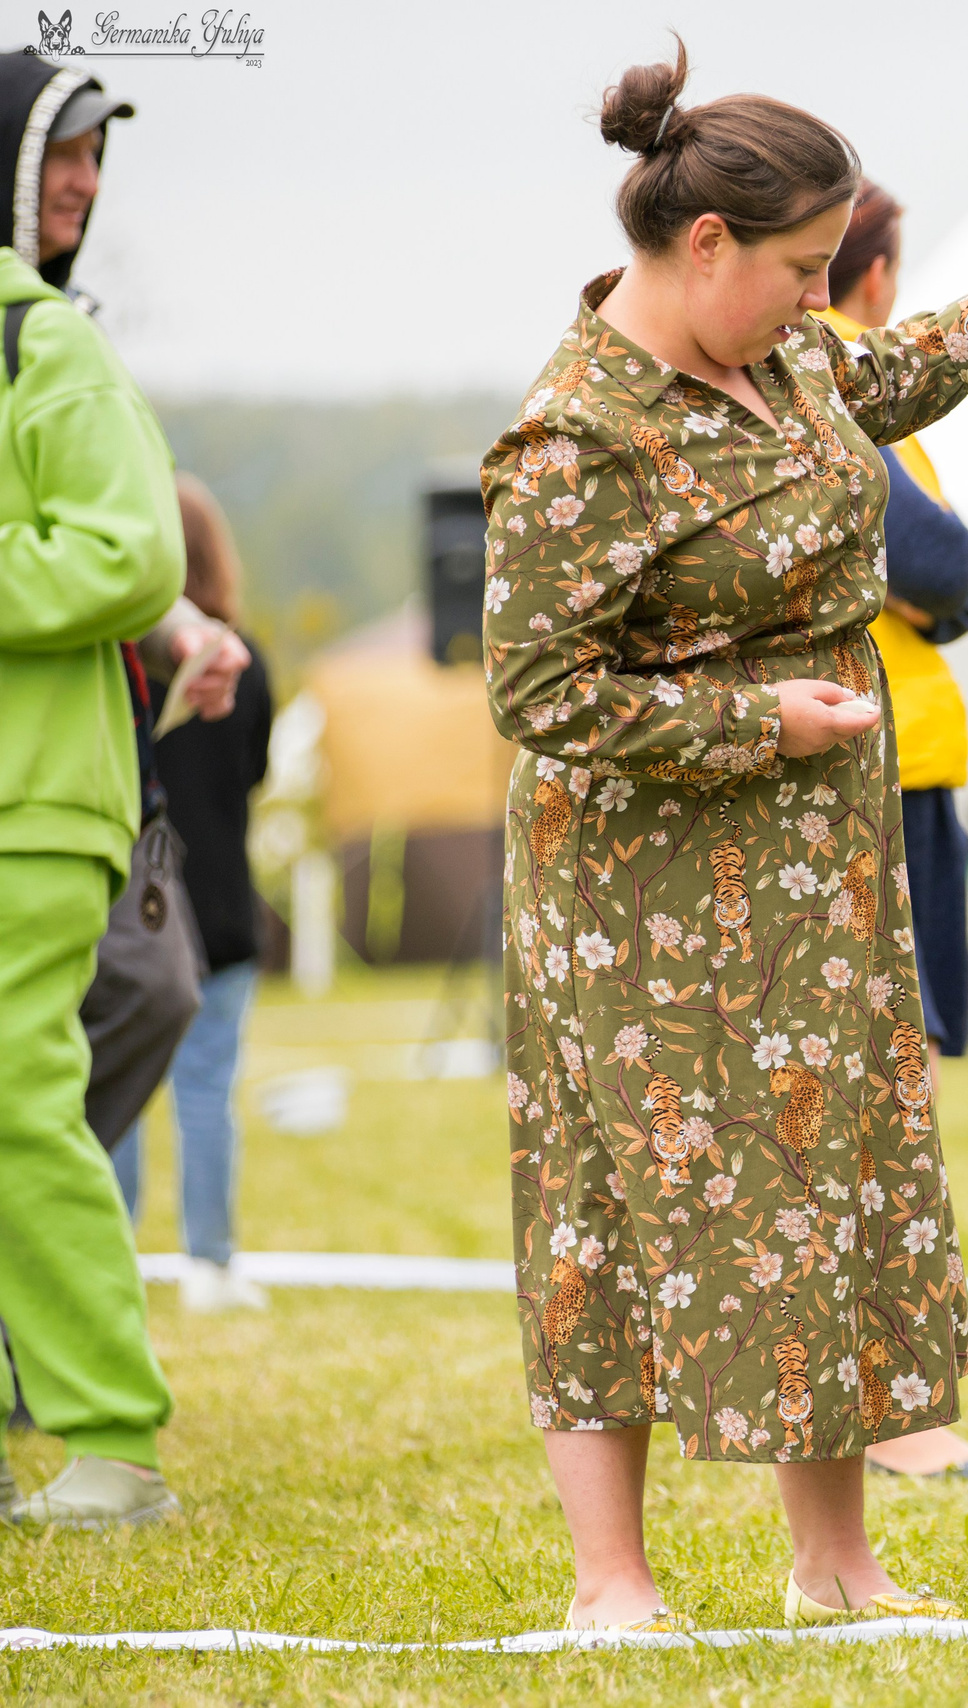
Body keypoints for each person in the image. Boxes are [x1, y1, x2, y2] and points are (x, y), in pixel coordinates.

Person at [482, 45, 968, 1632]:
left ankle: (836, 1569)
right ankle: (611, 1584)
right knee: (611, 1207)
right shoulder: (578, 437)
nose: (815, 297)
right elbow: (535, 687)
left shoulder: (793, 368)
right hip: (637, 905)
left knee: (831, 1188)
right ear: (704, 246)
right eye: (796, 268)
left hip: (819, 883)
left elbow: (891, 370)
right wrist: (760, 728)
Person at [0, 55, 239, 1530]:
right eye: (64, 155)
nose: (85, 183)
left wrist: (171, 616)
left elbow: (129, 552)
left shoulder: (47, 348)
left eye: (93, 158)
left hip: (33, 804)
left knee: (22, 1105)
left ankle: (108, 1438)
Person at [816, 179, 968, 1484]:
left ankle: (892, 1400)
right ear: (875, 278)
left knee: (897, 1074)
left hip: (908, 762)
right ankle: (897, 1413)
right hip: (875, 771)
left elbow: (938, 574)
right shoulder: (823, 386)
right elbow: (948, 569)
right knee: (881, 1085)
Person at [109, 476, 275, 1316]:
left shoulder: (119, 666)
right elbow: (254, 773)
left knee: (124, 1090)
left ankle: (114, 1255)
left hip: (138, 904)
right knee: (209, 1089)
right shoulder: (251, 665)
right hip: (223, 909)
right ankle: (210, 1264)